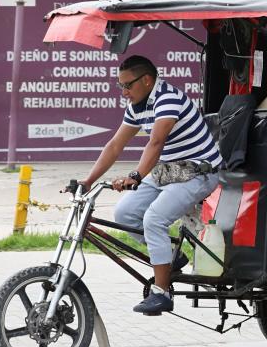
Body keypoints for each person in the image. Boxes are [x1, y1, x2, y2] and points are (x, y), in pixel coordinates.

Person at [80, 55, 222, 315]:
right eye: (119, 86)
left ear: (147, 80)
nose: (124, 92)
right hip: (169, 172)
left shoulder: (168, 98)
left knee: (154, 219)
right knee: (125, 213)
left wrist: (135, 176)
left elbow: (155, 143)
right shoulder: (137, 105)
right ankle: (172, 257)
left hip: (199, 172)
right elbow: (114, 145)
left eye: (128, 85)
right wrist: (87, 181)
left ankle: (162, 292)